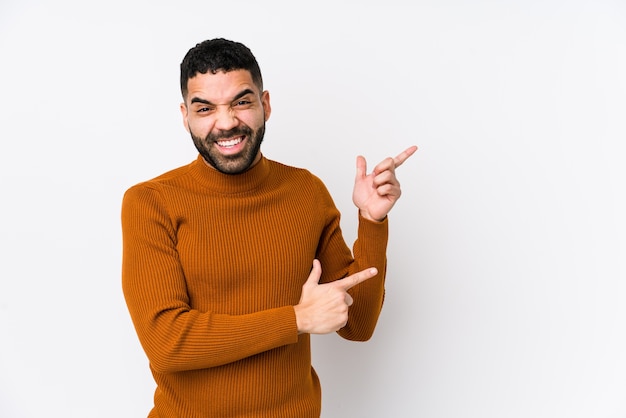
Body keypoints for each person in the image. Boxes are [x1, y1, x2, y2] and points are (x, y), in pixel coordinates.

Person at [121, 37, 417, 418]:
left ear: (266, 105)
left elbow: (357, 324)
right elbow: (167, 342)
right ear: (185, 116)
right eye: (205, 108)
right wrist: (296, 319)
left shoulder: (305, 191)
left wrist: (373, 222)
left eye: (241, 102)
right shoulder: (150, 203)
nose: (225, 122)